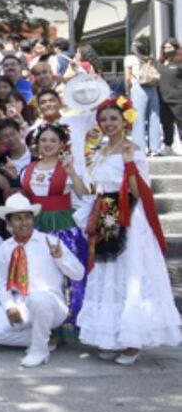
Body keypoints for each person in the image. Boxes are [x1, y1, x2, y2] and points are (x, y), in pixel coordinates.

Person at [77, 97, 182, 364]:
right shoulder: (100, 151)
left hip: (129, 216)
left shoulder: (132, 149)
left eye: (114, 118)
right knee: (107, 273)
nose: (109, 123)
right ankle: (112, 336)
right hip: (106, 214)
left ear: (126, 121)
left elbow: (139, 191)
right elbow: (96, 188)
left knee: (129, 272)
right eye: (104, 119)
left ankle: (133, 342)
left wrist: (129, 164)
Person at [0, 193, 86, 367]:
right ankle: (44, 340)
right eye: (17, 219)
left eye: (27, 217)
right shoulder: (5, 248)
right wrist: (10, 306)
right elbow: (1, 284)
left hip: (51, 304)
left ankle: (39, 350)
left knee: (38, 298)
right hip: (21, 305)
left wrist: (60, 258)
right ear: (9, 224)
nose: (24, 223)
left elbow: (79, 274)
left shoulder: (50, 241)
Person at [21, 123, 90, 337]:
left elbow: (84, 195)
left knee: (67, 275)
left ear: (61, 144)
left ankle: (71, 322)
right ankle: (45, 325)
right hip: (37, 227)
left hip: (63, 227)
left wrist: (73, 173)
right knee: (39, 275)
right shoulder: (28, 169)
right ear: (37, 144)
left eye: (53, 140)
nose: (48, 144)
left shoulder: (68, 168)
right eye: (44, 140)